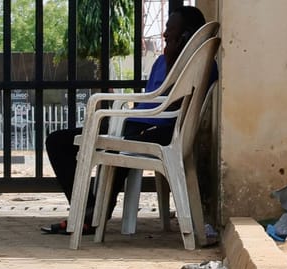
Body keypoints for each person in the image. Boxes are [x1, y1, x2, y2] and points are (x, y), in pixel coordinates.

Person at [41, 5, 211, 236]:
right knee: (58, 141)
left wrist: (174, 57)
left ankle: (92, 218)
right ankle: (89, 208)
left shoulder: (202, 66)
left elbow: (173, 106)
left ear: (186, 35)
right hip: (136, 122)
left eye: (171, 30)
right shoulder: (161, 62)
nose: (165, 34)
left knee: (120, 146)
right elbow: (148, 101)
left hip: (163, 130)